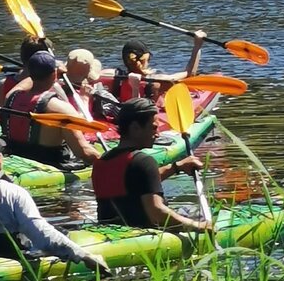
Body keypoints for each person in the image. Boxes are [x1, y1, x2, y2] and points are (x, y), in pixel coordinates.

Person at [0, 130, 111, 273]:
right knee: (57, 233)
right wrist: (84, 255)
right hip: (7, 262)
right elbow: (41, 234)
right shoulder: (12, 192)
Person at [91, 96, 213, 234]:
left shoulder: (101, 162)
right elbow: (157, 213)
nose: (158, 133)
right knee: (199, 213)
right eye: (153, 127)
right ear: (135, 127)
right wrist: (198, 226)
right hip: (144, 233)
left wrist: (176, 167)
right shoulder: (143, 161)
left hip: (110, 232)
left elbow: (134, 184)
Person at [0, 48, 95, 168]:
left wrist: (42, 72)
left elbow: (27, 82)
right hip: (50, 163)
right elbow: (83, 152)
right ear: (54, 74)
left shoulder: (11, 96)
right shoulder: (61, 109)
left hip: (17, 155)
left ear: (30, 72)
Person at [102, 33, 206, 113]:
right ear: (146, 59)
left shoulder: (114, 76)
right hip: (147, 119)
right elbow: (189, 73)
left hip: (125, 117)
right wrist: (197, 46)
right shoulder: (158, 81)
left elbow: (92, 73)